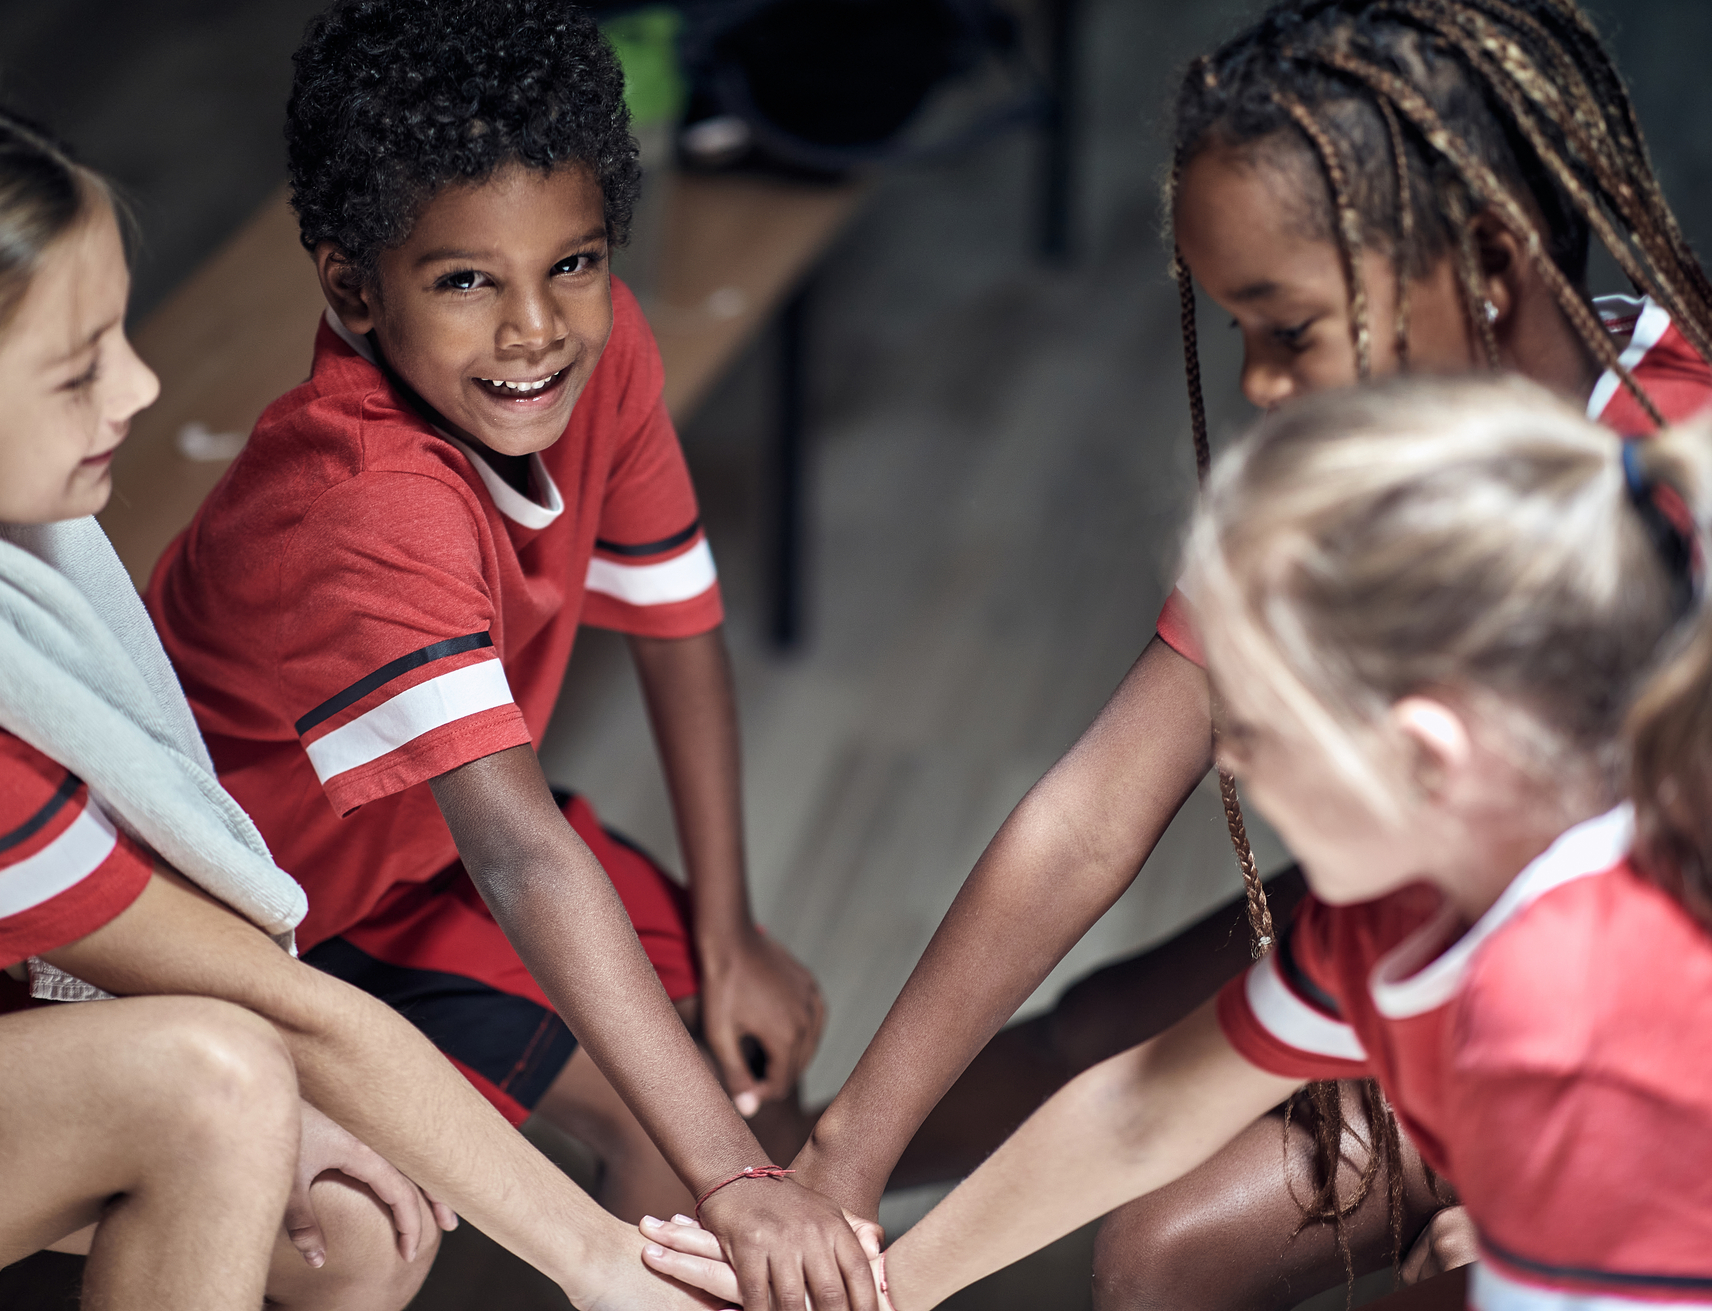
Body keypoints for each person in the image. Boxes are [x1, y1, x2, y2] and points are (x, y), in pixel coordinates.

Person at [0, 73, 726, 1311]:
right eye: (78, 371)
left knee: (348, 1219)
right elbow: (282, 1011)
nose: (138, 391)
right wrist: (595, 1260)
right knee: (223, 1075)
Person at [780, 0, 1712, 1303]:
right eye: (1239, 335)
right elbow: (1098, 821)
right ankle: (750, 1192)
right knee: (1107, 1034)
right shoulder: (1323, 506)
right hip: (1456, 894)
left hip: (1631, 1023)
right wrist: (837, 1167)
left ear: (1490, 270)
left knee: (1163, 1246)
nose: (1261, 390)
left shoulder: (1676, 473)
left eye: (1289, 332)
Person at [643, 373, 1712, 1311]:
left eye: (1256, 728)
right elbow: (1136, 1112)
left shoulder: (1567, 1014)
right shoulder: (1394, 923)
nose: (1230, 767)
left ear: (1424, 753)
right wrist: (881, 1290)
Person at [145, 0, 868, 1305]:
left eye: (572, 265)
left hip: (409, 863)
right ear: (355, 289)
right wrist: (738, 1186)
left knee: (744, 1058)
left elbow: (677, 623)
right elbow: (521, 851)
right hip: (261, 936)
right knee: (661, 1154)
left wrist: (731, 930)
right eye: (468, 281)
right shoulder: (364, 500)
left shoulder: (598, 356)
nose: (536, 330)